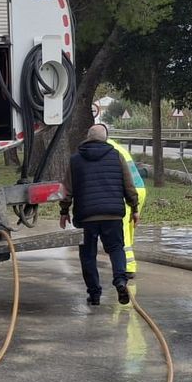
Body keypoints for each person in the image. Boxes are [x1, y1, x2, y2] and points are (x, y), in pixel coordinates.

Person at [59, 123, 140, 306]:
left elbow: (67, 190)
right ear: (106, 138)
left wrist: (64, 211)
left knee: (88, 256)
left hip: (86, 216)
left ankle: (94, 294)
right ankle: (120, 280)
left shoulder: (76, 159)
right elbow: (129, 186)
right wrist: (134, 208)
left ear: (88, 137)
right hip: (112, 215)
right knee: (116, 249)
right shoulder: (116, 156)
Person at [107, 135, 147, 279]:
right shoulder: (116, 147)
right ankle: (127, 264)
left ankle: (127, 267)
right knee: (128, 231)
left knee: (121, 231)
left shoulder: (108, 150)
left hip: (128, 191)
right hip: (139, 188)